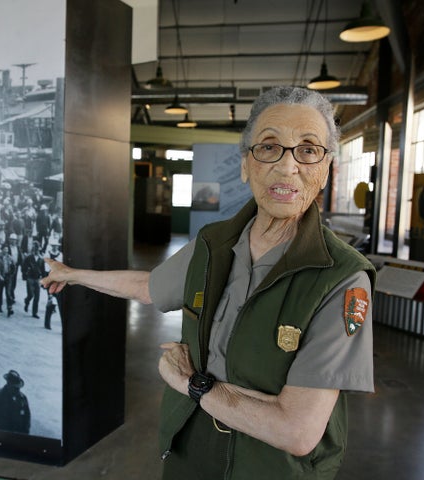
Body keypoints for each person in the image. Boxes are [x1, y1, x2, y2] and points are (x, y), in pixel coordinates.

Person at [41, 86, 376, 479]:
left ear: (325, 168)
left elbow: (296, 430)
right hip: (191, 455)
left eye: (307, 149)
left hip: (271, 470)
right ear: (245, 165)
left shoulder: (341, 278)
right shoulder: (214, 243)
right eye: (269, 147)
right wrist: (74, 275)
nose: (288, 167)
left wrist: (192, 385)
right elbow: (149, 287)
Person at [0, 369, 30, 434]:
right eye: (14, 387)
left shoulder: (22, 398)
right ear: (8, 384)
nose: (17, 389)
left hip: (17, 435)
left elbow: (27, 417)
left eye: (17, 387)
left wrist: (25, 433)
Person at [22, 241, 45, 319]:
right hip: (30, 278)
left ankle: (34, 312)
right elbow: (23, 267)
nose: (36, 250)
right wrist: (26, 274)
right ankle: (27, 301)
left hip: (37, 279)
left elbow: (43, 270)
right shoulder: (29, 257)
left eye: (37, 248)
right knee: (31, 294)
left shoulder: (41, 259)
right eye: (35, 248)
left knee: (37, 297)